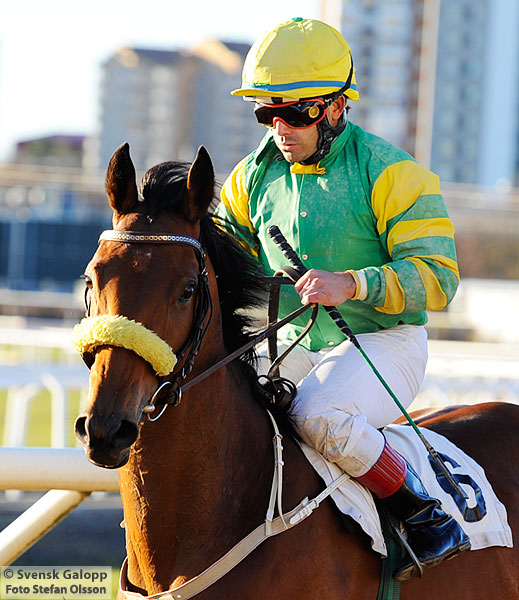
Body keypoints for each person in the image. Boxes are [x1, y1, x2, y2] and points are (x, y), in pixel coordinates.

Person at [214, 17, 470, 581]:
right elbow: (217, 257)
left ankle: (421, 512)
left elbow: (439, 278)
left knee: (318, 414)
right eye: (266, 114)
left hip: (386, 342)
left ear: (335, 107)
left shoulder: (392, 172)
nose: (281, 128)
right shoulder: (251, 178)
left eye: (297, 113)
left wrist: (352, 283)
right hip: (292, 345)